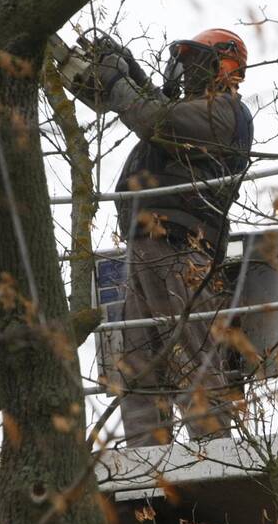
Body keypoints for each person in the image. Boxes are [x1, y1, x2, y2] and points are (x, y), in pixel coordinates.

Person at [56, 28, 254, 448]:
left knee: (192, 360)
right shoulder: (193, 113)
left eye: (192, 62)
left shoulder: (225, 112)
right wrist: (129, 72)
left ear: (218, 66)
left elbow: (158, 121)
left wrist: (117, 81)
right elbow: (158, 113)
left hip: (180, 250)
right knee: (138, 368)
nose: (183, 71)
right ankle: (146, 462)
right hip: (147, 250)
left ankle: (216, 453)